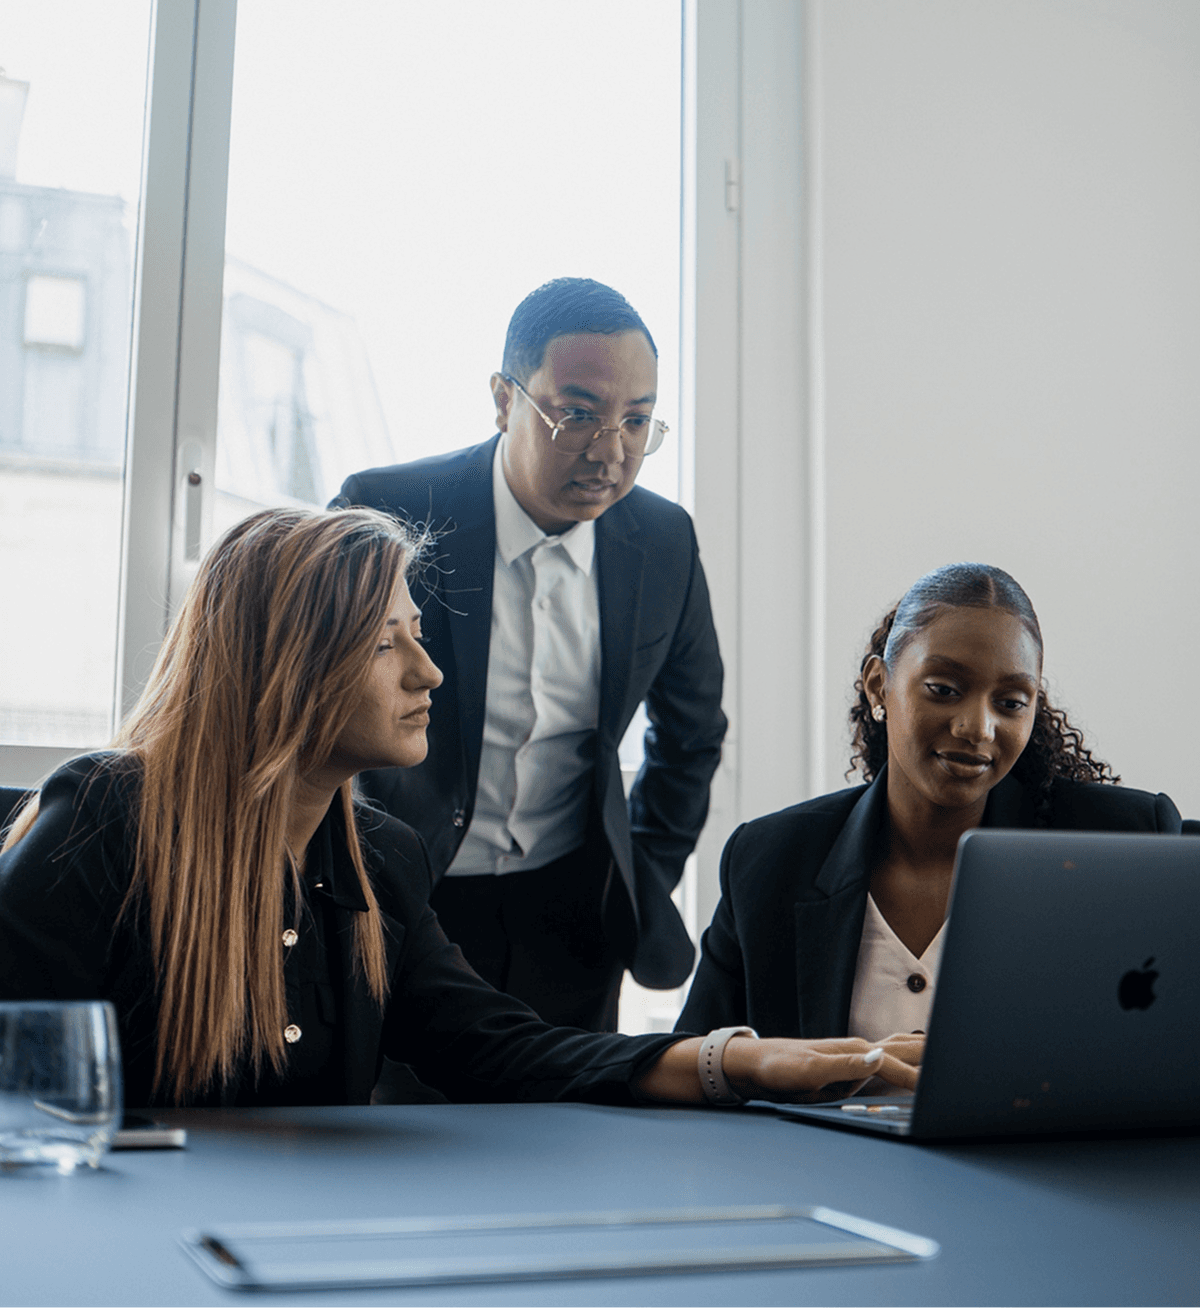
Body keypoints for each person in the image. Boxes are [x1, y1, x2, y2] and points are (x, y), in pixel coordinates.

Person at [0, 507, 918, 1109]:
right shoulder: (103, 821)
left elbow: (497, 1047)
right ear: (287, 666)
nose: (427, 671)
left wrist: (740, 1060)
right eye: (382, 644)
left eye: (420, 634)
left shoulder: (377, 858)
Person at [332, 278, 726, 1032]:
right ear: (505, 399)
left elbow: (692, 732)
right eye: (577, 414)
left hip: (574, 915)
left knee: (569, 1134)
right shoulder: (387, 510)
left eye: (637, 421)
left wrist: (638, 876)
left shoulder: (663, 541)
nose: (611, 452)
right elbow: (318, 710)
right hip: (405, 898)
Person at [677, 562, 1182, 1041]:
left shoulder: (1124, 841)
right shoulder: (771, 860)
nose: (977, 728)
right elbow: (693, 1063)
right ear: (879, 686)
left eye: (1010, 703)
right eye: (943, 689)